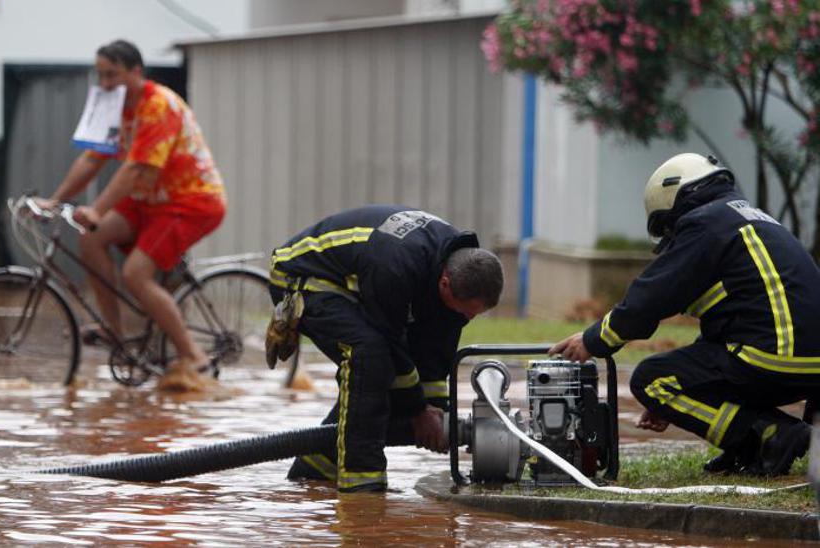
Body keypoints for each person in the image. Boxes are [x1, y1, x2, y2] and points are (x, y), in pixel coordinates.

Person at [550, 152, 820, 476]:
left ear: (674, 202)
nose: (670, 239)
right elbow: (733, 321)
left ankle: (767, 437)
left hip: (772, 357)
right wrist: (689, 386)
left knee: (651, 380)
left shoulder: (704, 223)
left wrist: (595, 340)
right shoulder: (748, 219)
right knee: (695, 373)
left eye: (667, 229)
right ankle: (746, 446)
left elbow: (650, 298)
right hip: (808, 366)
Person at [265, 205, 504, 492]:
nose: (467, 319)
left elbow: (434, 348)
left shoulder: (454, 264)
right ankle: (362, 487)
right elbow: (390, 344)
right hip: (302, 277)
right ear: (444, 284)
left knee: (374, 378)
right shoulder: (396, 265)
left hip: (356, 280)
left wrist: (437, 412)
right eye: (467, 312)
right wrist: (418, 412)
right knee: (369, 356)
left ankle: (313, 473)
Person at [41, 40, 226, 391]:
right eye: (101, 75)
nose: (106, 83)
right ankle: (114, 331)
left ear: (136, 72)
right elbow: (93, 159)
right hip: (149, 200)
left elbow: (137, 170)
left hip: (190, 200)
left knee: (136, 273)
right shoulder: (114, 106)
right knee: (91, 238)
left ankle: (194, 358)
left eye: (113, 75)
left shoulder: (159, 105)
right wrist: (55, 200)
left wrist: (97, 209)